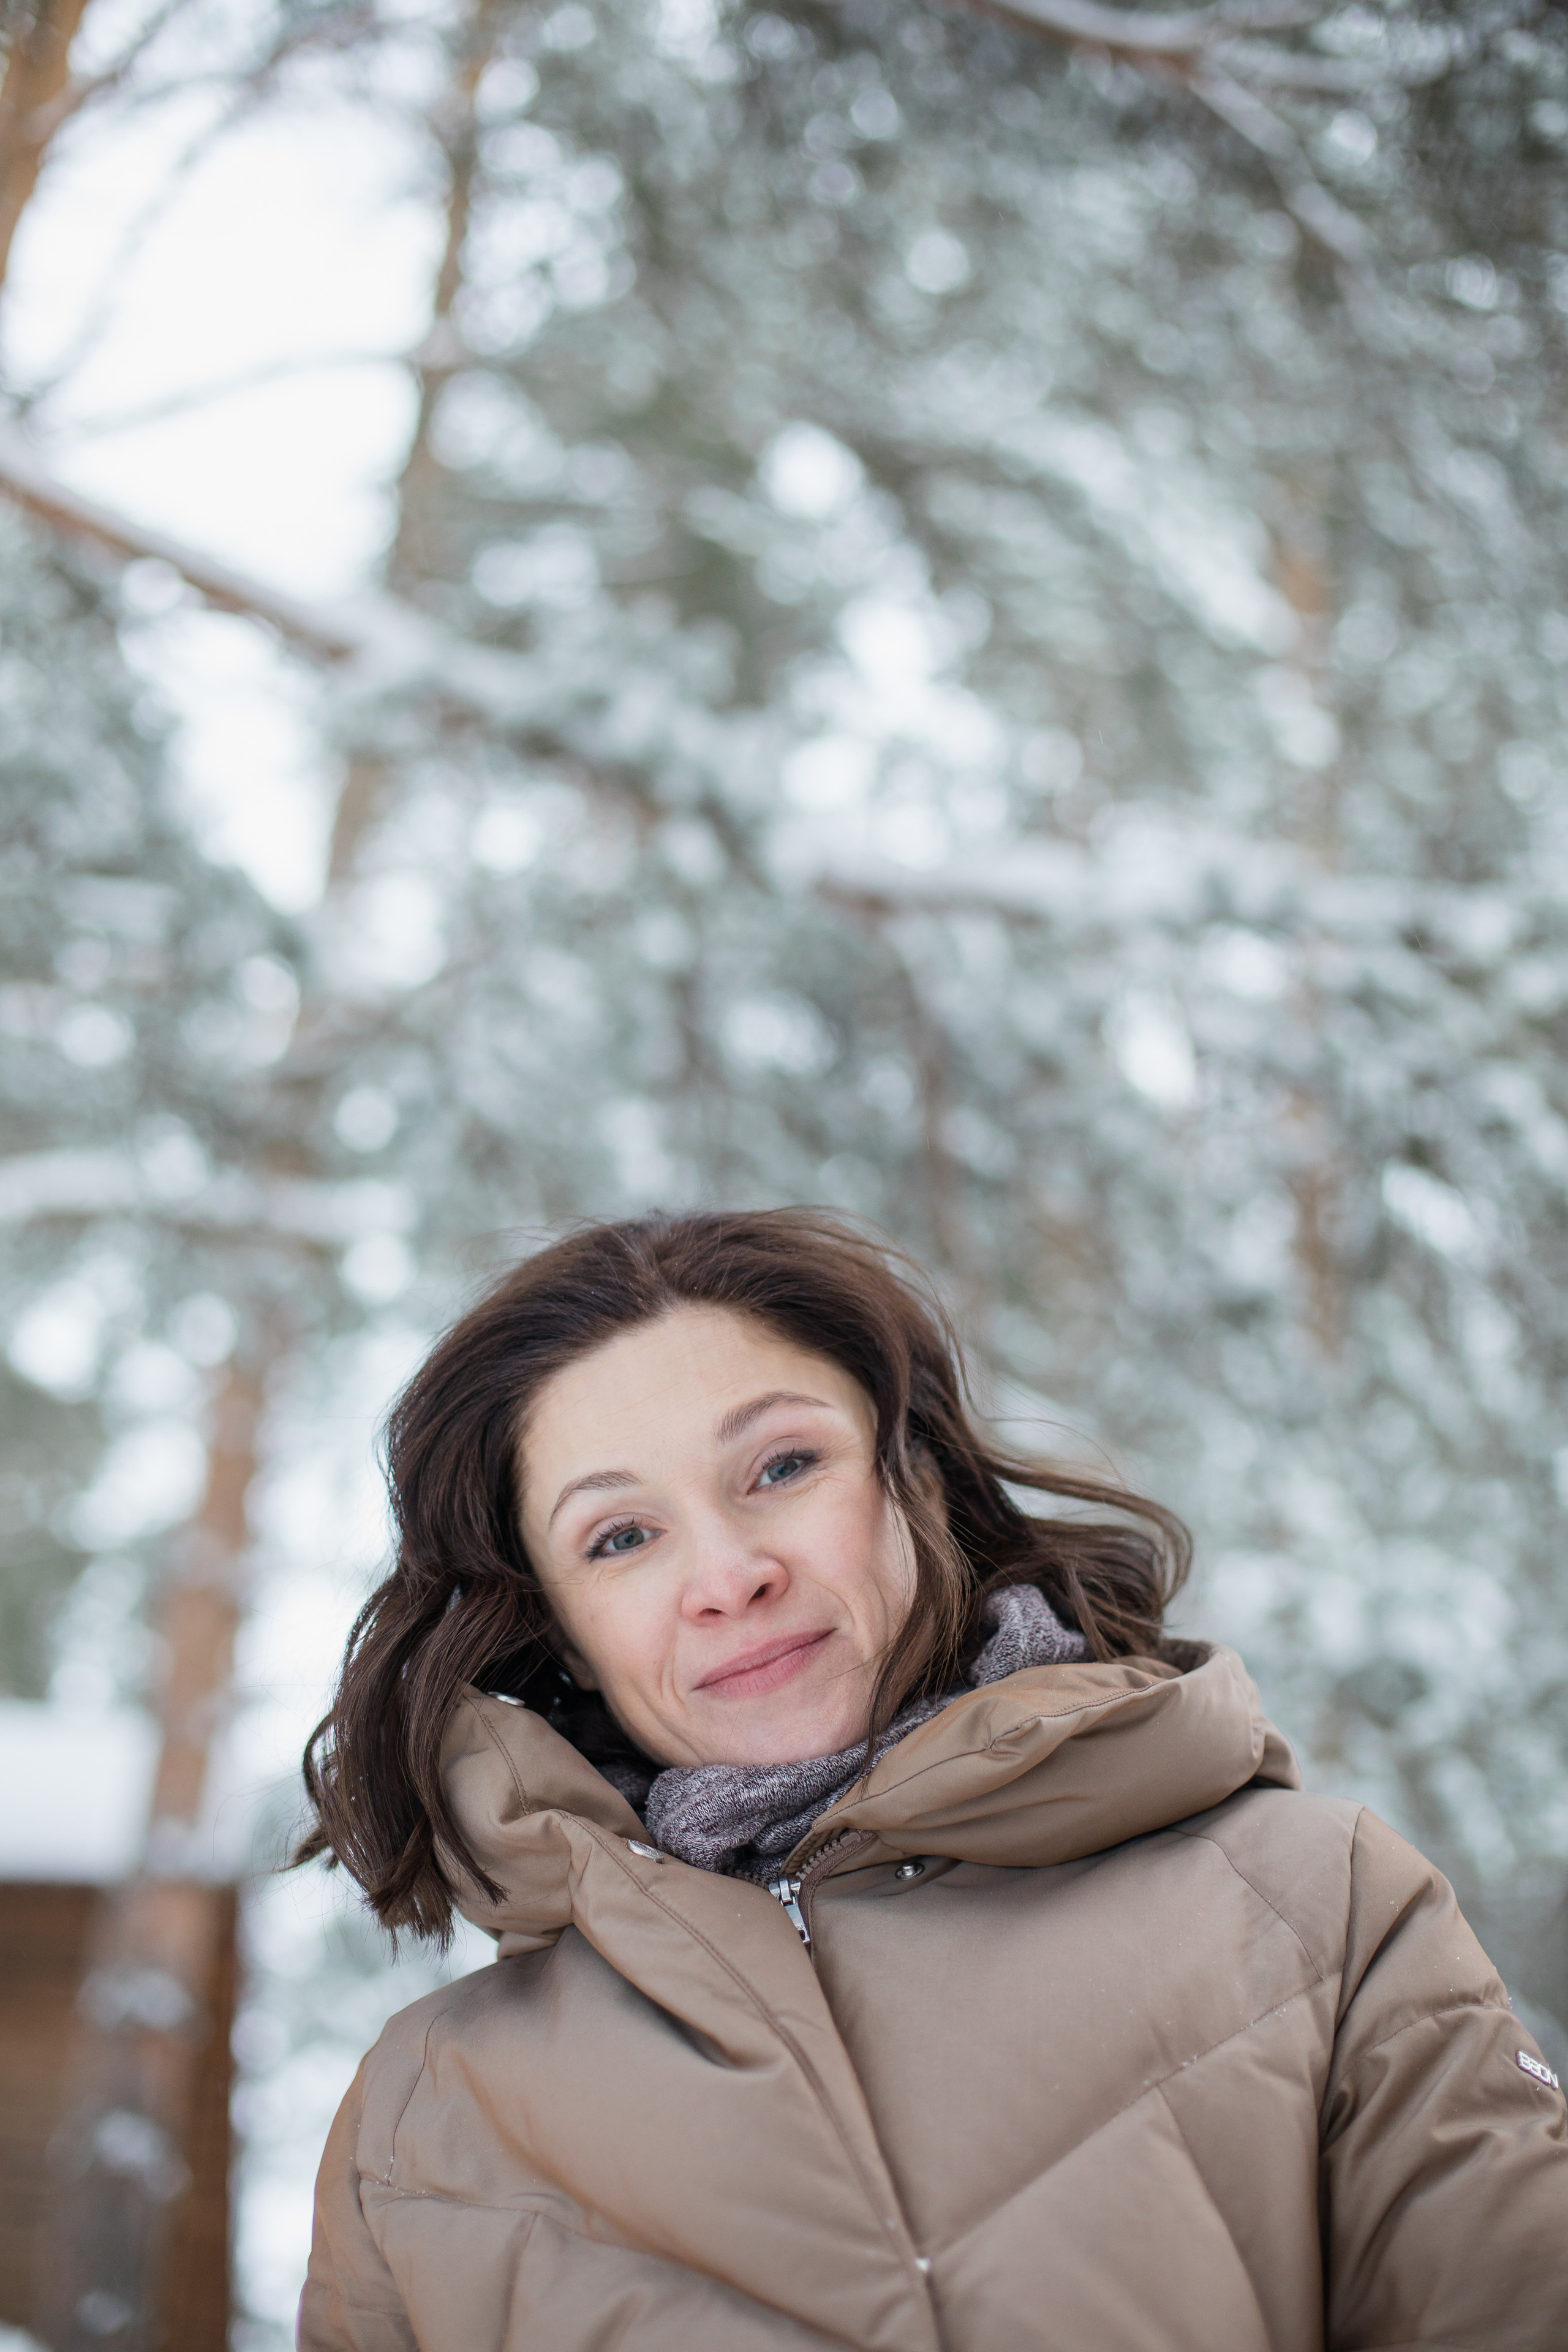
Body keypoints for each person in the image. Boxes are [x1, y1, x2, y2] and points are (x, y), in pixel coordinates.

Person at [295, 1209, 1567, 2352]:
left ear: (913, 1485)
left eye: (782, 1467)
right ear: (561, 1629)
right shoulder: (431, 2126)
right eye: (620, 1537)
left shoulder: (1310, 1905)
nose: (727, 1573)